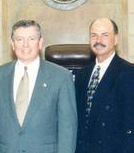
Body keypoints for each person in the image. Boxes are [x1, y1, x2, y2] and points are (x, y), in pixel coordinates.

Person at [0, 20, 77, 153]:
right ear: (12, 44)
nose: (25, 45)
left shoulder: (61, 77)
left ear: (40, 43)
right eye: (19, 39)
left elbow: (67, 128)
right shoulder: (1, 74)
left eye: (31, 39)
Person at [75, 18, 134, 153]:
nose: (98, 40)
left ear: (116, 39)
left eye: (105, 35)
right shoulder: (82, 75)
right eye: (94, 35)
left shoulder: (129, 73)